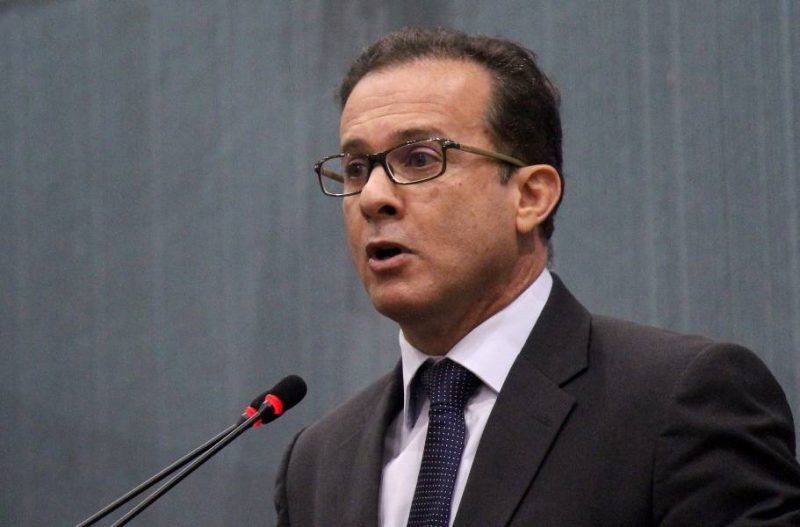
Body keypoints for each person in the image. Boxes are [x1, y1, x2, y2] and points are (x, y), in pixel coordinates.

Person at [274, 27, 800, 526]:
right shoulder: (317, 464)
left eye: (419, 159)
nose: (372, 197)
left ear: (530, 196)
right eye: (356, 169)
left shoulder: (677, 401)